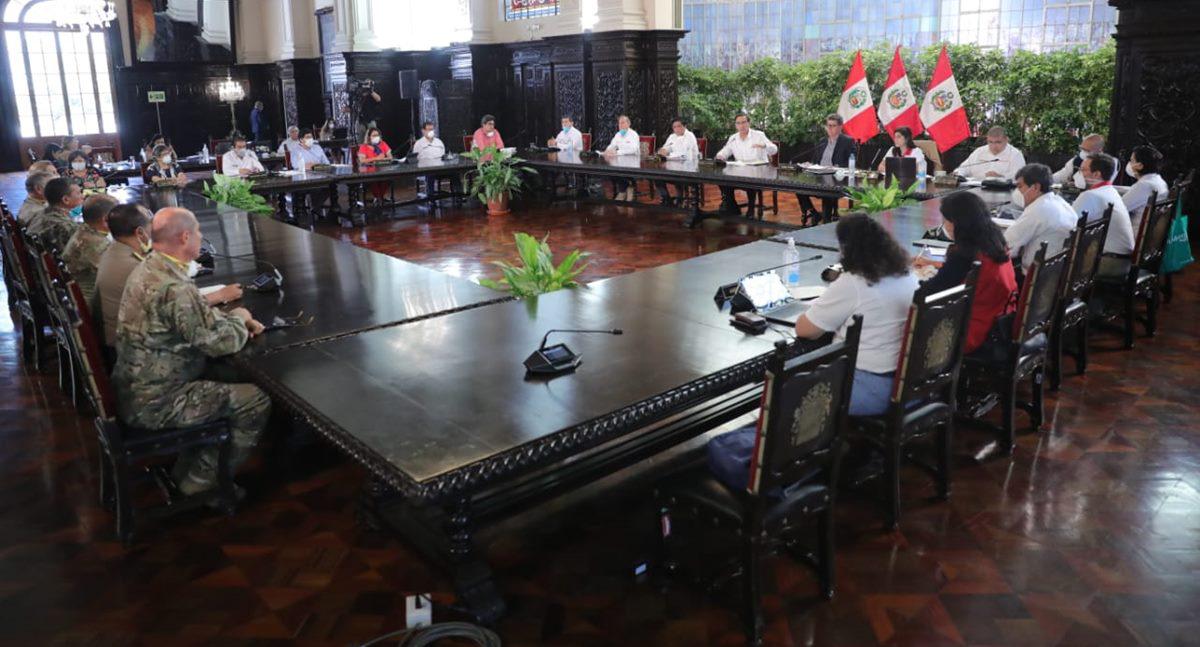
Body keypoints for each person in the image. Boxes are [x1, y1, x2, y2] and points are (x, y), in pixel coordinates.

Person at [705, 214, 919, 491]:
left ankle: (780, 472)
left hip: (872, 386)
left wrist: (820, 306)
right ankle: (804, 455)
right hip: (904, 378)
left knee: (794, 389)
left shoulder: (854, 282)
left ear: (848, 249)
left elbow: (806, 330)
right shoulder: (905, 272)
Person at [112, 207, 269, 498]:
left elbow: (196, 322)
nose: (199, 237)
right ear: (185, 237)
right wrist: (241, 316)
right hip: (156, 401)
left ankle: (197, 462)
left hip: (134, 386)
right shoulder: (174, 286)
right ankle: (202, 481)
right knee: (254, 400)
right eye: (197, 232)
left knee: (231, 374)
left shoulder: (150, 267)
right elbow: (217, 342)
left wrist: (230, 319)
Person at [96, 205, 242, 354]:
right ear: (140, 232)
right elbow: (216, 342)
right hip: (150, 360)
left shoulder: (118, 251)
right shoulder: (136, 267)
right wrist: (238, 316)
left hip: (131, 345)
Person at [915, 192, 1017, 358]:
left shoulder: (965, 256)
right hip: (999, 321)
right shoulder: (996, 242)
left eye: (946, 220)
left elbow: (929, 292)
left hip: (970, 331)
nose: (944, 225)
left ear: (957, 223)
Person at [1004, 163, 1078, 274]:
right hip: (1056, 272)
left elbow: (1006, 245)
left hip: (1033, 278)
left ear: (1035, 187)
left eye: (1020, 187)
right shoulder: (1061, 203)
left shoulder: (1038, 210)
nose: (1017, 192)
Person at [1072, 153, 1134, 277]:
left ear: (1096, 174)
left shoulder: (1090, 195)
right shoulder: (1110, 191)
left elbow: (1067, 226)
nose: (1079, 173)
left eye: (1083, 170)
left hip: (1109, 262)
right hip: (1124, 259)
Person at [714, 113, 777, 215]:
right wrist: (720, 156)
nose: (741, 125)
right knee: (722, 180)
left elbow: (774, 150)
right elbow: (725, 151)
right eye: (738, 123)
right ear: (736, 125)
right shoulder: (733, 138)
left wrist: (764, 145)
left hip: (759, 170)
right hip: (740, 170)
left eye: (744, 122)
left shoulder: (758, 135)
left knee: (750, 181)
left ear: (749, 123)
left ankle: (751, 209)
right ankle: (732, 206)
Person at [798, 113, 855, 225]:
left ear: (840, 127)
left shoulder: (847, 141)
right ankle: (814, 213)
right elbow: (815, 161)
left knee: (827, 192)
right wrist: (809, 165)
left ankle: (826, 221)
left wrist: (836, 168)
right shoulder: (822, 141)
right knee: (798, 187)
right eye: (828, 125)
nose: (829, 128)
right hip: (819, 176)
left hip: (837, 178)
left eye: (833, 125)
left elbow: (851, 161)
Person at [61, 194, 116, 307]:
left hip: (81, 297)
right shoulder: (97, 244)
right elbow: (117, 277)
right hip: (93, 304)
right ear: (105, 219)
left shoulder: (84, 230)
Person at [1119, 145, 1168, 229]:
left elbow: (1118, 209)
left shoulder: (1144, 185)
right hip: (1148, 232)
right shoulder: (1158, 181)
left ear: (1140, 165)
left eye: (1131, 161)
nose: (1129, 164)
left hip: (1133, 233)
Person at [26, 177, 82, 252]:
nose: (83, 196)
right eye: (79, 193)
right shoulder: (64, 226)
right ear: (66, 200)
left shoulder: (41, 214)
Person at [655, 117, 700, 206]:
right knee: (657, 177)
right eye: (674, 127)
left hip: (689, 169)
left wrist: (669, 155)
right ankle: (667, 199)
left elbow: (684, 155)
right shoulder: (672, 136)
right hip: (673, 167)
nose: (676, 129)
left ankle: (680, 199)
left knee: (677, 178)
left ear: (684, 126)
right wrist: (663, 150)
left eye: (679, 126)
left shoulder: (690, 136)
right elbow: (667, 147)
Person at [412, 121, 461, 199]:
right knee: (430, 173)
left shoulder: (439, 142)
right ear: (423, 131)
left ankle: (459, 195)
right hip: (426, 170)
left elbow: (444, 156)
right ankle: (431, 198)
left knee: (455, 172)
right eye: (428, 129)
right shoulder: (418, 144)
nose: (431, 131)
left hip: (440, 169)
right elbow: (414, 159)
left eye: (432, 129)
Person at [289, 130, 332, 218]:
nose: (310, 139)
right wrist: (306, 166)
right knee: (314, 189)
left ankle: (315, 208)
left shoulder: (317, 148)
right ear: (301, 140)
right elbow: (295, 165)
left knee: (331, 186)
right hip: (304, 179)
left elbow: (327, 163)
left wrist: (315, 165)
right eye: (307, 137)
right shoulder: (295, 150)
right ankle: (314, 209)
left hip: (321, 175)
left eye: (311, 137)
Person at [957, 126, 1026, 180]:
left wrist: (1001, 177)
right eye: (990, 142)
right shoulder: (979, 152)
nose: (993, 146)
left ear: (1006, 140)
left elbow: (1021, 178)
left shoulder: (1015, 155)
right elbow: (963, 168)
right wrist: (956, 174)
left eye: (998, 142)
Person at [604, 114, 641, 202]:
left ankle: (624, 190)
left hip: (633, 162)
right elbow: (612, 145)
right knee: (609, 171)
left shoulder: (633, 134)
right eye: (619, 123)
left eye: (623, 123)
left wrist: (617, 152)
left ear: (629, 123)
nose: (621, 125)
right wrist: (608, 151)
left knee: (619, 171)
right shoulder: (618, 134)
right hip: (620, 161)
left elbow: (633, 149)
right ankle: (626, 188)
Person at [357, 127, 394, 203]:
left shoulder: (383, 144)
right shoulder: (364, 146)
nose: (376, 137)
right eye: (374, 135)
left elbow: (390, 157)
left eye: (377, 135)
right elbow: (362, 161)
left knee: (388, 178)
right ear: (369, 137)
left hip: (382, 169)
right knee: (373, 179)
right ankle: (379, 198)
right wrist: (376, 158)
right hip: (368, 171)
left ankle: (378, 198)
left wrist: (382, 159)